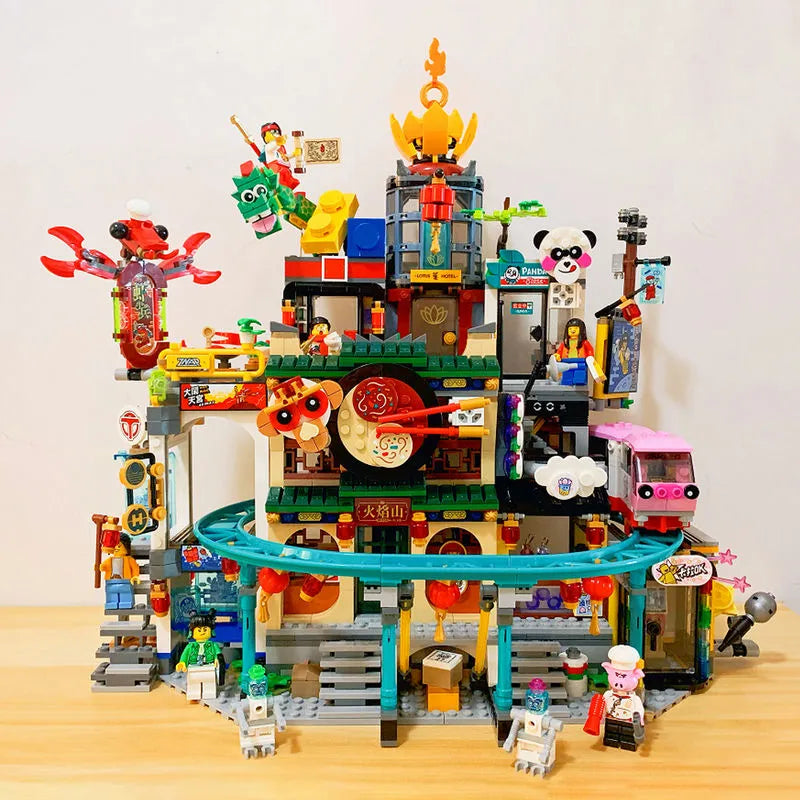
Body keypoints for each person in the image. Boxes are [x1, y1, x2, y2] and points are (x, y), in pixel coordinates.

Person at [176, 609, 224, 701]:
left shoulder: (213, 645)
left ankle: (209, 692)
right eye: (199, 630)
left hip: (209, 667)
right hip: (193, 668)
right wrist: (182, 662)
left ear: (211, 631)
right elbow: (185, 655)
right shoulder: (190, 646)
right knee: (193, 683)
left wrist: (217, 659)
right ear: (192, 632)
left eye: (205, 629)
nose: (202, 632)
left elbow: (218, 654)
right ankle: (194, 693)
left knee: (209, 683)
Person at [99, 532, 140, 610]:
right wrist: (100, 567)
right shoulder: (110, 560)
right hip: (111, 581)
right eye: (114, 546)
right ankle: (111, 603)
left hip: (125, 581)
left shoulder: (129, 560)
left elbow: (135, 567)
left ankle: (126, 603)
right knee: (111, 593)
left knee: (126, 592)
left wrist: (135, 576)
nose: (117, 548)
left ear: (126, 547)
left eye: (119, 546)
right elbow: (104, 567)